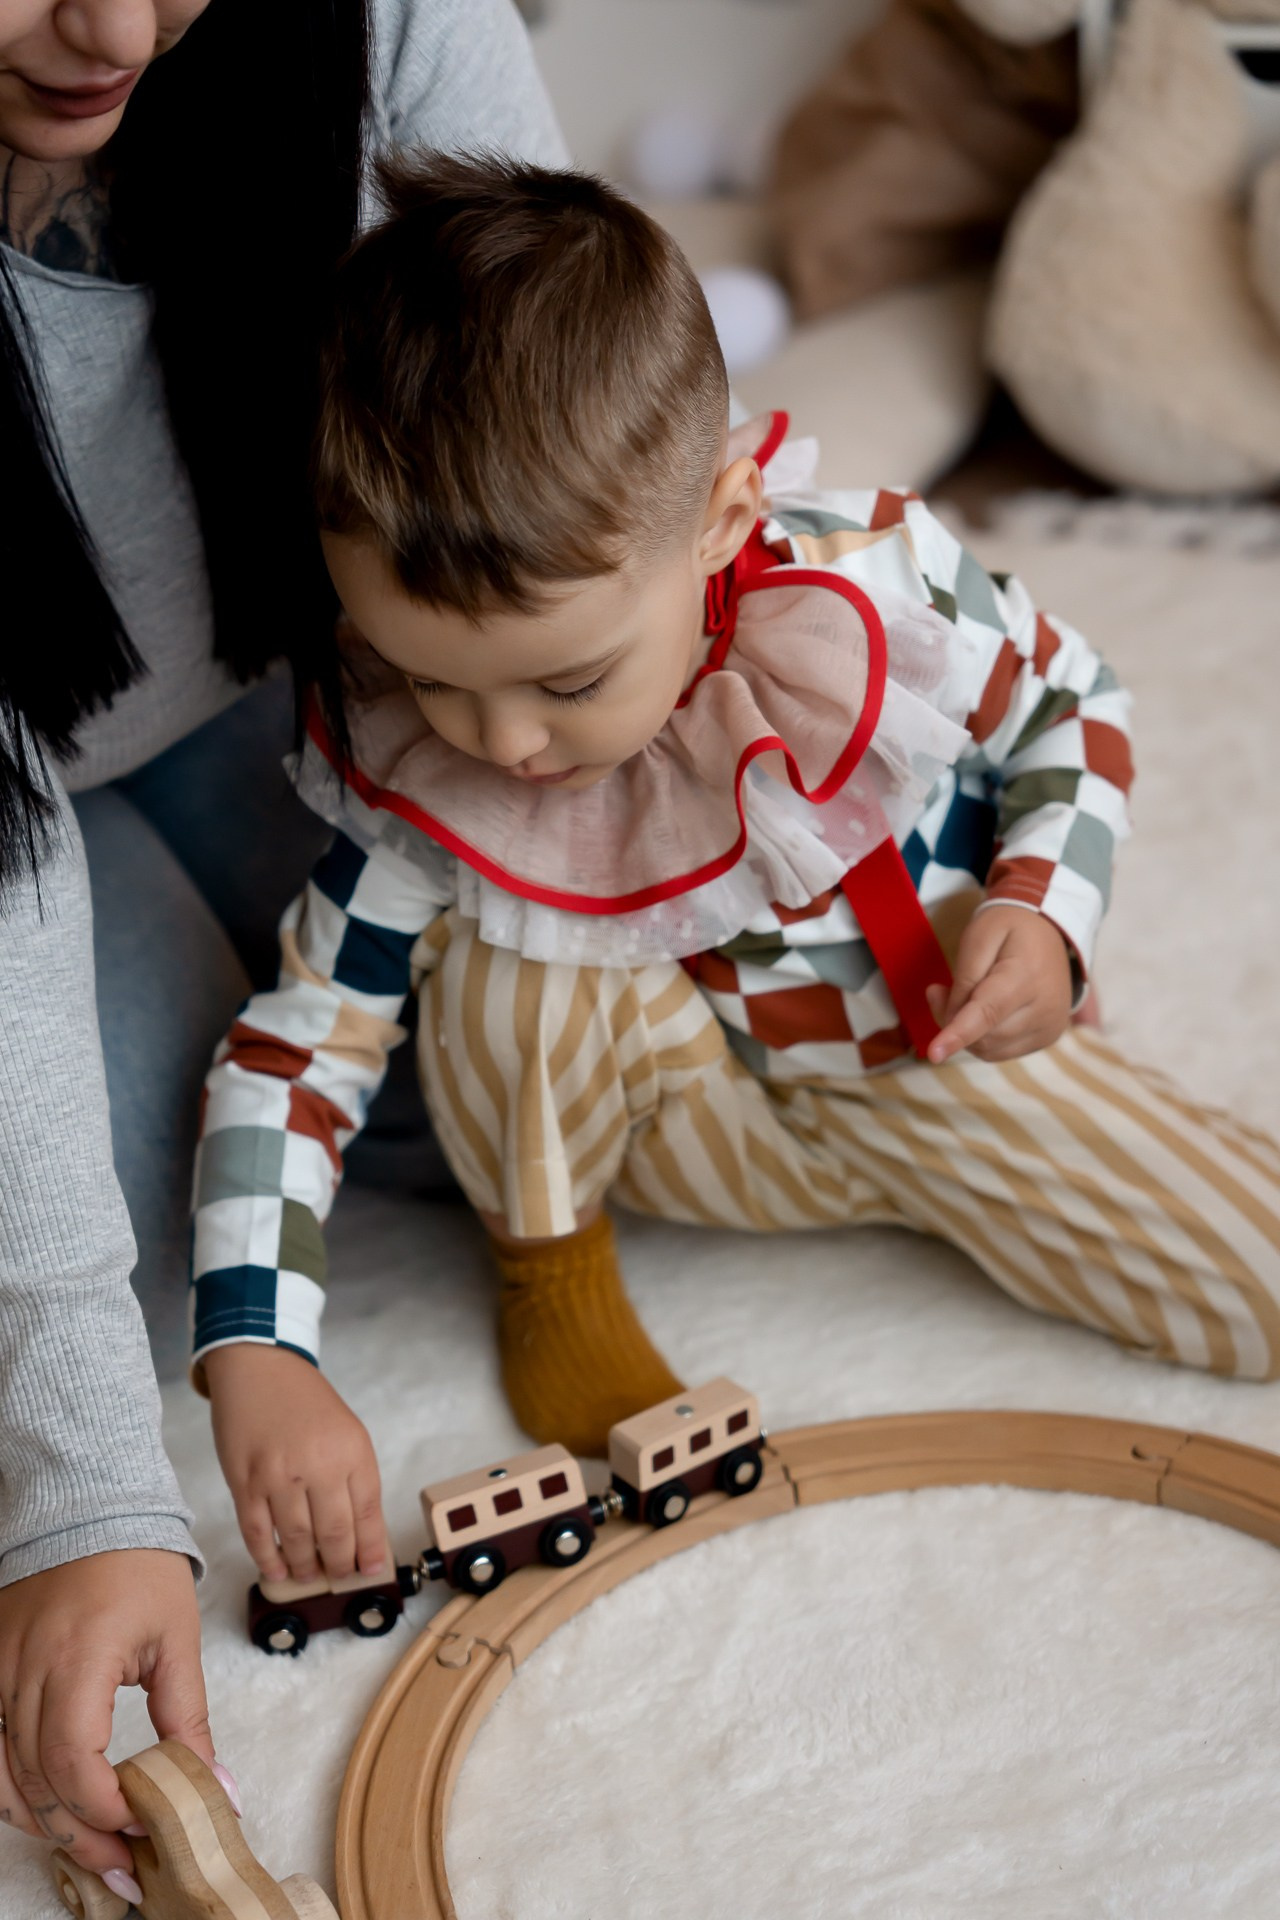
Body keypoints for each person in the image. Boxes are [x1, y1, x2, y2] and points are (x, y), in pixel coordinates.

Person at [192, 152, 1280, 1596]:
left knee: (1251, 1287)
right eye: (432, 682)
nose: (503, 746)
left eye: (567, 680)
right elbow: (302, 1040)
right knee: (498, 951)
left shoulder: (882, 583)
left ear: (721, 513)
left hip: (913, 1046)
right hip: (652, 1120)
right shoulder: (435, 756)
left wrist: (1042, 912)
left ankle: (961, 1179)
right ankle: (552, 1270)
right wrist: (253, 1342)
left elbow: (1080, 711)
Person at [0, 2, 564, 1894]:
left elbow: (570, 437)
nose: (108, 27)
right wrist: (86, 1489)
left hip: (247, 672)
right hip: (21, 796)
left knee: (505, 1052)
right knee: (119, 1247)